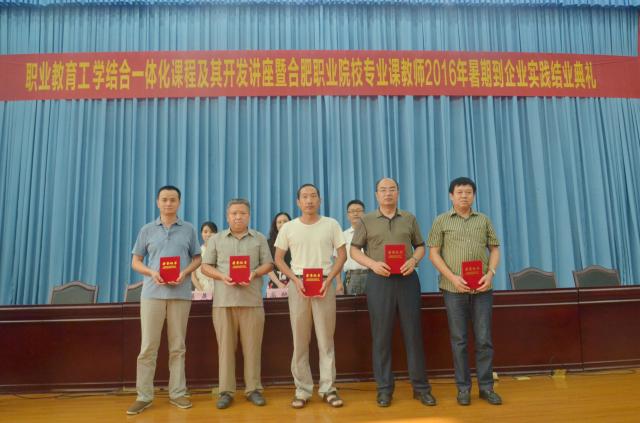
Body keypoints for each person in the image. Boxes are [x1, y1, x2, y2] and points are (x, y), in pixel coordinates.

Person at [350, 177, 435, 408]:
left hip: (407, 280)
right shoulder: (367, 220)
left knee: (413, 334)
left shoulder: (409, 218)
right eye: (383, 190)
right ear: (376, 195)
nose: (388, 193)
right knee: (381, 336)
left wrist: (414, 260)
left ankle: (421, 388)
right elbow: (354, 250)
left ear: (398, 192)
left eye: (392, 189)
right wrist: (372, 264)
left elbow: (420, 246)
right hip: (379, 281)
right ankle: (384, 389)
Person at [427, 177, 502, 406]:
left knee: (484, 339)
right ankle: (463, 389)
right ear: (451, 196)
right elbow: (433, 253)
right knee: (459, 340)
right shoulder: (441, 220)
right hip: (453, 289)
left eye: (468, 192)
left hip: (482, 288)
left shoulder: (483, 220)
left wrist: (490, 274)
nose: (464, 196)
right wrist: (452, 278)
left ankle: (486, 388)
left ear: (474, 195)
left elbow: (495, 249)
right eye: (459, 192)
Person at [127, 185, 201, 415]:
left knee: (178, 347)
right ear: (157, 202)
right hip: (152, 294)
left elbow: (197, 258)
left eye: (173, 200)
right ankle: (143, 396)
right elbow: (135, 261)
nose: (168, 203)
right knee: (148, 347)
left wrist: (185, 273)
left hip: (180, 294)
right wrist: (152, 272)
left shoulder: (189, 229)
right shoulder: (147, 229)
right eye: (164, 199)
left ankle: (177, 393)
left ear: (179, 202)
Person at [274, 183, 347, 409]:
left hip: (324, 284)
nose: (309, 200)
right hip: (299, 285)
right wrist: (294, 280)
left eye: (313, 196)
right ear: (298, 202)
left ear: (320, 200)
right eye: (304, 197)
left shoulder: (331, 224)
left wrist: (329, 280)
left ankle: (328, 388)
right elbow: (278, 259)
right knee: (300, 340)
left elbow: (342, 256)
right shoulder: (289, 228)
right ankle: (302, 389)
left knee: (326, 339)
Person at [200, 199, 273, 409]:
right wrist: (222, 276)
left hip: (252, 301)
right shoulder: (216, 239)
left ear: (249, 216)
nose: (238, 217)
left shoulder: (259, 238)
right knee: (225, 349)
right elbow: (205, 266)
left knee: (253, 348)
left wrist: (254, 273)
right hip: (224, 302)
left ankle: (253, 389)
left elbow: (269, 264)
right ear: (227, 216)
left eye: (242, 213)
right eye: (234, 213)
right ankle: (226, 391)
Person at [335, 200, 368, 295]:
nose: (355, 214)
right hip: (351, 277)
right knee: (352, 304)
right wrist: (339, 283)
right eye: (352, 211)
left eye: (358, 210)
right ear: (347, 215)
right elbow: (338, 260)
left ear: (364, 213)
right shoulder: (342, 236)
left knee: (373, 303)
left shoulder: (372, 234)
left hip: (371, 276)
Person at [191, 221, 218, 296]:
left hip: (218, 290)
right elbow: (193, 276)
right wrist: (202, 292)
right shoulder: (197, 252)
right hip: (201, 289)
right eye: (205, 232)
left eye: (212, 232)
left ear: (216, 234)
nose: (208, 234)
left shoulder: (220, 252)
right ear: (201, 234)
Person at [266, 212, 292, 289]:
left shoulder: (296, 241)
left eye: (285, 221)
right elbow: (267, 266)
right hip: (275, 282)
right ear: (275, 225)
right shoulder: (269, 243)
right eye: (279, 222)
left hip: (294, 281)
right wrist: (278, 283)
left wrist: (292, 281)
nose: (282, 224)